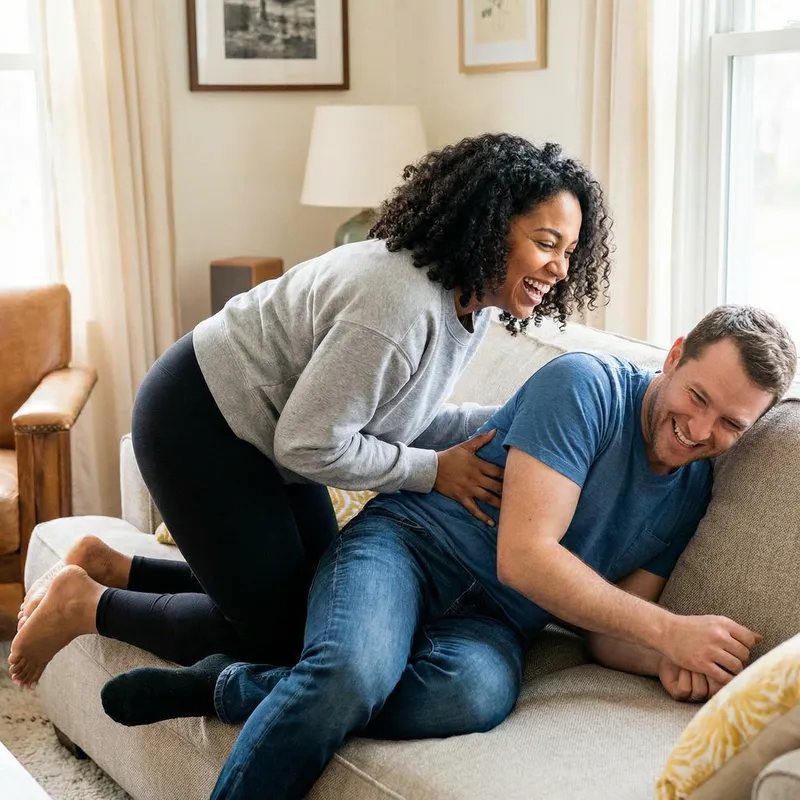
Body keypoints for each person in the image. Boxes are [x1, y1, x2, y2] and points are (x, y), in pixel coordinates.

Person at [103, 306, 797, 800]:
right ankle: (295, 682)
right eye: (698, 396)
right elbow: (525, 558)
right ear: (674, 356)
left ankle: (233, 685)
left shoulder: (693, 492)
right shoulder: (585, 387)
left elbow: (607, 633)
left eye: (731, 423)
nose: (700, 428)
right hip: (407, 549)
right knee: (350, 671)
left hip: (491, 628)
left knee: (471, 695)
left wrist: (666, 661)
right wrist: (671, 631)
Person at [8, 133, 612, 688]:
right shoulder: (397, 306)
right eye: (545, 243)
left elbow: (399, 415)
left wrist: (516, 422)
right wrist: (434, 471)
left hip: (272, 435)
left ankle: (112, 566)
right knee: (280, 636)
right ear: (489, 228)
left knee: (318, 602)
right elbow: (311, 444)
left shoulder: (470, 304)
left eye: (569, 250)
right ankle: (85, 603)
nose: (559, 269)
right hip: (202, 422)